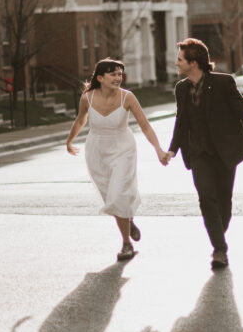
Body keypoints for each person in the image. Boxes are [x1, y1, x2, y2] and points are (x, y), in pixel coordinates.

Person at [163, 38, 243, 268]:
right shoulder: (182, 89)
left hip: (225, 153)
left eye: (180, 59)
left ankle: (218, 233)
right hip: (198, 154)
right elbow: (181, 121)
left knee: (224, 203)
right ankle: (220, 250)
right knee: (206, 199)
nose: (176, 63)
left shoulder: (224, 83)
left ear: (194, 62)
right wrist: (172, 149)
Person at [67, 58, 168, 261]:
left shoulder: (127, 98)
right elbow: (80, 120)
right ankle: (127, 220)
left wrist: (159, 150)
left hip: (123, 149)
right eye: (113, 74)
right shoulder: (88, 97)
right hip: (96, 151)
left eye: (120, 74)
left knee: (118, 194)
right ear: (100, 78)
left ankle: (126, 244)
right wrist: (69, 141)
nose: (118, 78)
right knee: (111, 198)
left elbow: (145, 126)